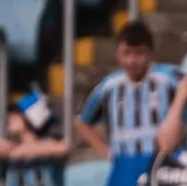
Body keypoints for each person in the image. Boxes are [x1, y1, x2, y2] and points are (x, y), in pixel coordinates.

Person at [75, 19, 177, 160]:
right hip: (124, 164)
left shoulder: (169, 79)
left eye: (139, 53)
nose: (132, 60)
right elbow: (82, 122)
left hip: (162, 164)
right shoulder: (107, 86)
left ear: (151, 53)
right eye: (126, 53)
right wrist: (106, 152)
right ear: (117, 53)